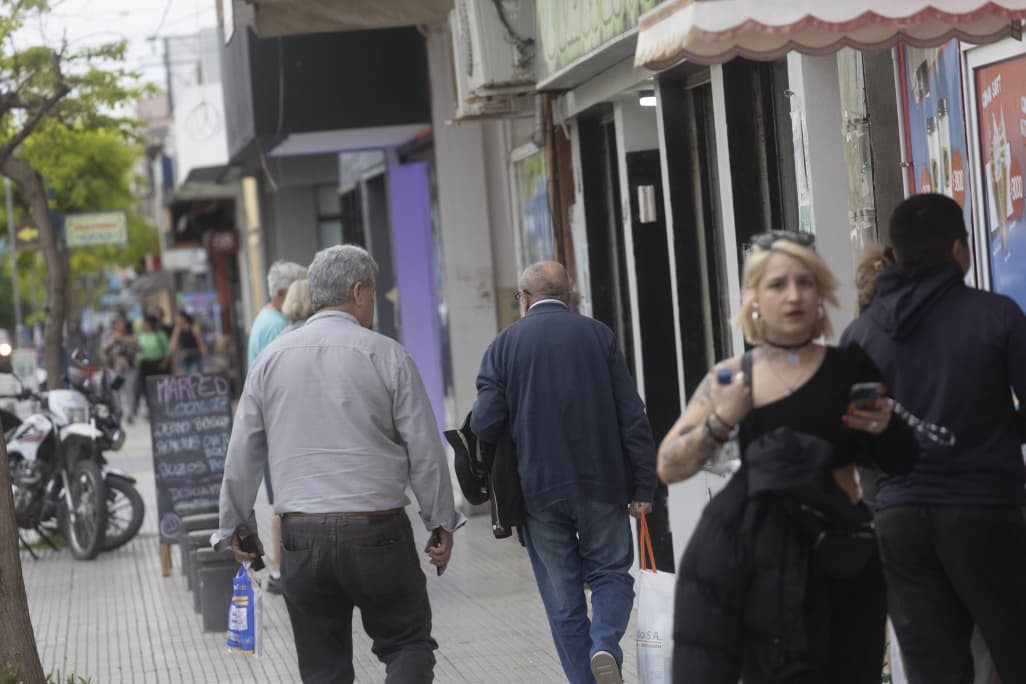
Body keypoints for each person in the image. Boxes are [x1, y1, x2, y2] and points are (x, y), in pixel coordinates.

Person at [657, 231, 917, 683]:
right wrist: (722, 418)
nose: (794, 296)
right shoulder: (733, 377)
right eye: (778, 285)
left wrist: (886, 427)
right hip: (763, 569)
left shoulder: (851, 368)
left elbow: (900, 461)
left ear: (821, 294)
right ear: (755, 299)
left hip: (842, 562)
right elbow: (668, 465)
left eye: (805, 282)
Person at [215, 244, 462, 683]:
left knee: (323, 668)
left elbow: (242, 453)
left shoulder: (269, 360)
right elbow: (424, 449)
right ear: (358, 290)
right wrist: (439, 520)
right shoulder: (388, 356)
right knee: (407, 643)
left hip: (301, 537)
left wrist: (236, 526)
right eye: (373, 292)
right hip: (378, 532)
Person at [841, 194, 1026, 684]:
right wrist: (997, 432)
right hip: (985, 512)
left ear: (896, 255)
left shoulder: (860, 336)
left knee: (933, 671)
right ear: (959, 249)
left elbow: (861, 438)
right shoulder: (997, 316)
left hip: (901, 523)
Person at [471, 260, 657, 684]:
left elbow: (485, 423)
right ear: (569, 297)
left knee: (563, 599)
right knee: (611, 574)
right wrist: (643, 485)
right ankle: (605, 643)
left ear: (524, 299)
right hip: (603, 484)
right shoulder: (598, 336)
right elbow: (633, 416)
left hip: (537, 489)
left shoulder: (504, 345)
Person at [246, 259, 307, 594]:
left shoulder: (267, 319)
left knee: (281, 500)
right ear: (284, 292)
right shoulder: (277, 326)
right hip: (278, 426)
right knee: (283, 502)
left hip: (273, 424)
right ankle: (281, 572)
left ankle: (281, 571)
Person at [128, 315, 171, 423]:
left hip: (157, 364)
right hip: (144, 364)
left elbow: (167, 351)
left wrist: (164, 363)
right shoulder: (142, 336)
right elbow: (139, 350)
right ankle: (149, 409)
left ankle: (160, 408)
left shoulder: (160, 335)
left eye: (145, 323)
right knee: (145, 389)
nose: (143, 325)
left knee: (158, 388)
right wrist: (137, 356)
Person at [102, 315, 137, 412]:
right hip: (114, 368)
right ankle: (118, 410)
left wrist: (123, 338)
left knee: (128, 390)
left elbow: (137, 345)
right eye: (119, 323)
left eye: (123, 323)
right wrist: (112, 341)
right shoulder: (109, 335)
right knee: (116, 390)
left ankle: (129, 412)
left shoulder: (130, 335)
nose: (121, 325)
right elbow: (104, 350)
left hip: (129, 367)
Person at [170, 310, 207, 375]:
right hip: (183, 355)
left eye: (178, 318)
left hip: (194, 355)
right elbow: (173, 344)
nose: (176, 320)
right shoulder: (177, 329)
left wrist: (204, 351)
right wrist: (177, 332)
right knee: (184, 375)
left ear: (184, 318)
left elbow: (200, 340)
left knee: (195, 374)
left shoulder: (193, 327)